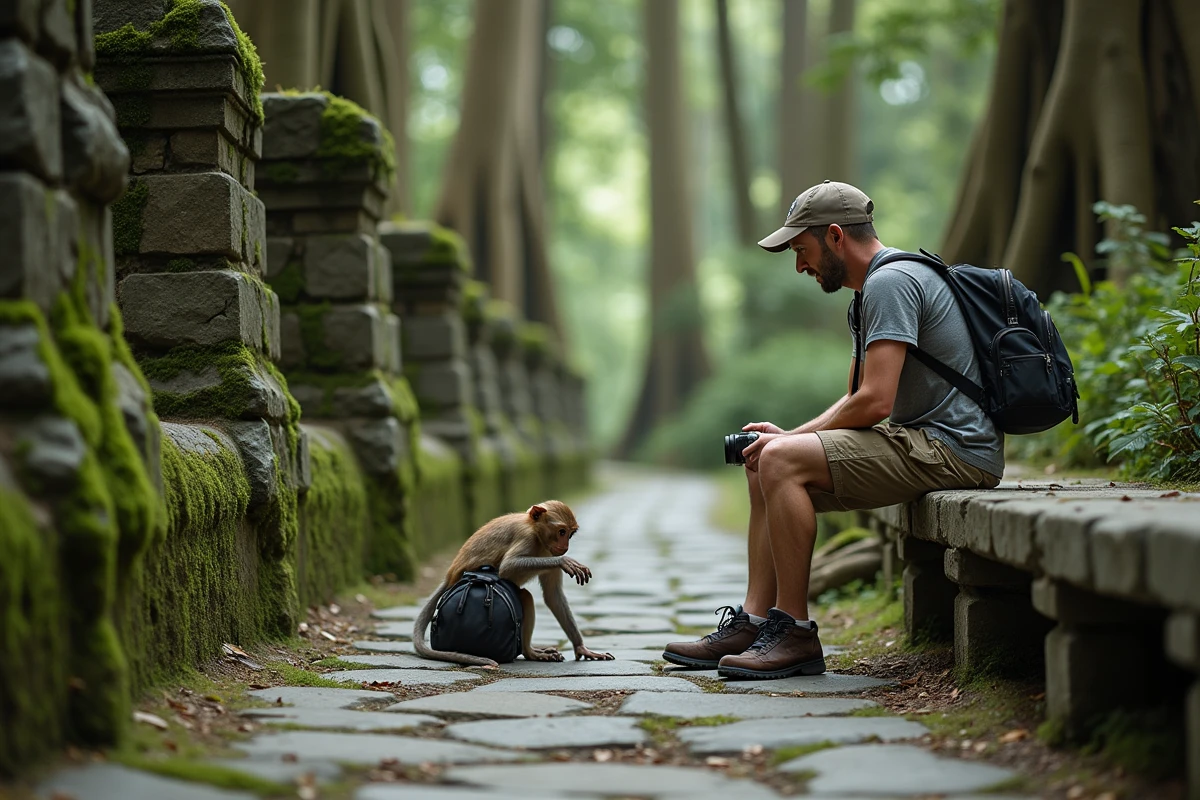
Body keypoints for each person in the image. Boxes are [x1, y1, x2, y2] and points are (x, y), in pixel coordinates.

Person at [663, 180, 1004, 680]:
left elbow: (875, 403)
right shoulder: (865, 298)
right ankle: (756, 622)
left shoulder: (892, 283)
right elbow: (854, 399)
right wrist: (786, 439)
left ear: (836, 236)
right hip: (922, 441)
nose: (800, 265)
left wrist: (789, 443)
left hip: (954, 449)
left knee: (777, 457)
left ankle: (796, 632)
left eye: (802, 250)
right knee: (764, 463)